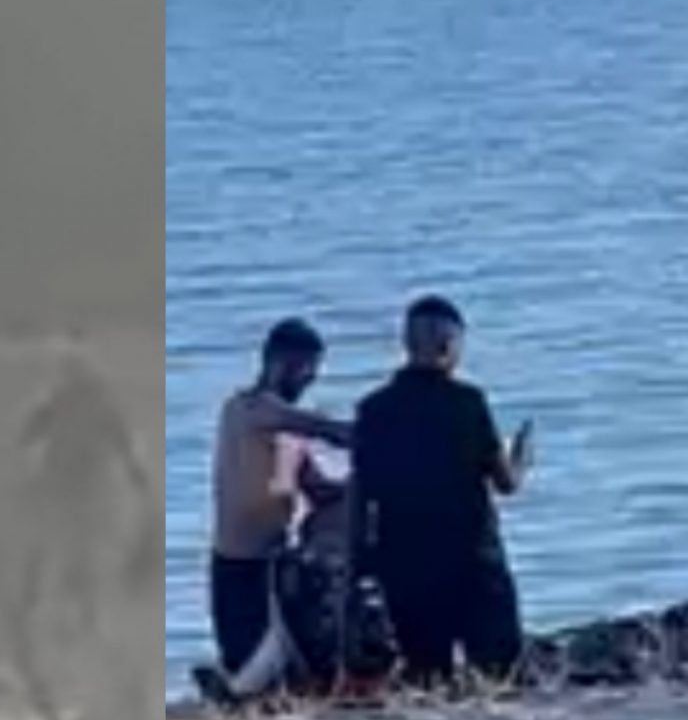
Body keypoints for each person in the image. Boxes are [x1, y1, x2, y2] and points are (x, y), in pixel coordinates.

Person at [351, 295, 533, 680]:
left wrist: (362, 567)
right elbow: (505, 483)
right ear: (450, 344)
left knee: (427, 676)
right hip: (471, 560)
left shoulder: (373, 410)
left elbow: (360, 497)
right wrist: (522, 456)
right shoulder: (467, 403)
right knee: (502, 670)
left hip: (403, 564)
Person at [203, 319, 351, 698]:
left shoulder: (290, 431)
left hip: (276, 567)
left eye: (314, 372)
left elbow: (318, 490)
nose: (309, 380)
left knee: (278, 677)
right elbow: (328, 430)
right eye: (304, 370)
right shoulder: (246, 409)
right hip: (237, 564)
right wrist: (378, 432)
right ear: (276, 362)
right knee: (245, 663)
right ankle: (230, 694)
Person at [19, 339, 149, 630]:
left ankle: (65, 607)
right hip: (73, 480)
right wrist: (135, 472)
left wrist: (134, 470)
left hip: (77, 480)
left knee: (70, 545)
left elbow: (32, 430)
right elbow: (122, 438)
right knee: (70, 546)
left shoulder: (69, 399)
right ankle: (63, 607)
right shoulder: (86, 400)